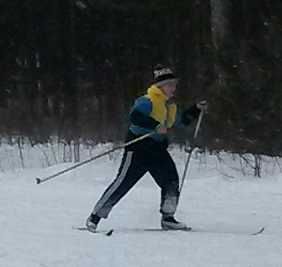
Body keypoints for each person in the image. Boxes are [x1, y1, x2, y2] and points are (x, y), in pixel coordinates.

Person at [86, 66, 207, 232]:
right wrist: (155, 126)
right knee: (123, 183)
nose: (174, 88)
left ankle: (168, 218)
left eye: (174, 84)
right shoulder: (147, 100)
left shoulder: (171, 106)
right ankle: (95, 217)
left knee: (171, 181)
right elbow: (134, 117)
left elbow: (181, 121)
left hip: (157, 149)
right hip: (138, 147)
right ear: (160, 86)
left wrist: (195, 110)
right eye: (170, 84)